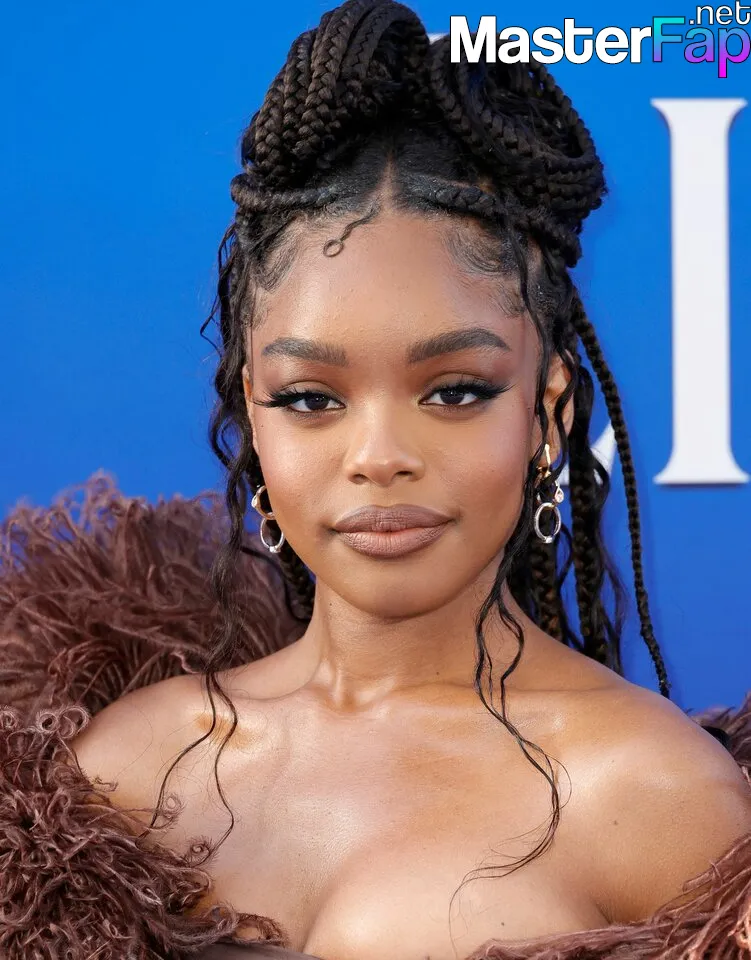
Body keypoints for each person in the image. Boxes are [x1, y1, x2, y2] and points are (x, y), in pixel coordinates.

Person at [2, 2, 751, 959]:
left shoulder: (658, 799)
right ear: (251, 415)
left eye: (455, 391)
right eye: (311, 398)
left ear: (548, 411)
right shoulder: (121, 772)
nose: (377, 454)